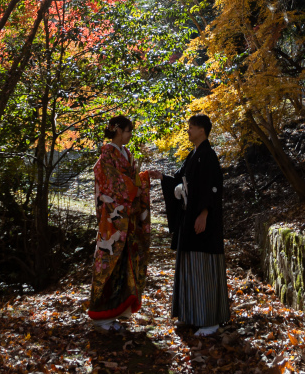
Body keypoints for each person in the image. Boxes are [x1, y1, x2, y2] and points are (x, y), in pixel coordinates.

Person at [88, 114, 162, 332]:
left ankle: (116, 312)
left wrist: (145, 177)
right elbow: (110, 181)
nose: (130, 135)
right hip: (113, 218)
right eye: (128, 131)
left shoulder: (125, 153)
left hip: (126, 217)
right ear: (118, 130)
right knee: (109, 260)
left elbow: (131, 179)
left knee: (124, 260)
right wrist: (133, 188)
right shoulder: (106, 155)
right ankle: (101, 316)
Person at [161, 113, 230, 337]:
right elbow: (178, 179)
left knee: (203, 269)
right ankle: (191, 314)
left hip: (202, 222)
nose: (188, 130)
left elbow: (213, 187)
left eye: (191, 127)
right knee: (190, 267)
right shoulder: (193, 155)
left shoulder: (208, 155)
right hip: (188, 219)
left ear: (202, 130)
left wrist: (204, 213)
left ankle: (209, 320)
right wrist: (161, 177)